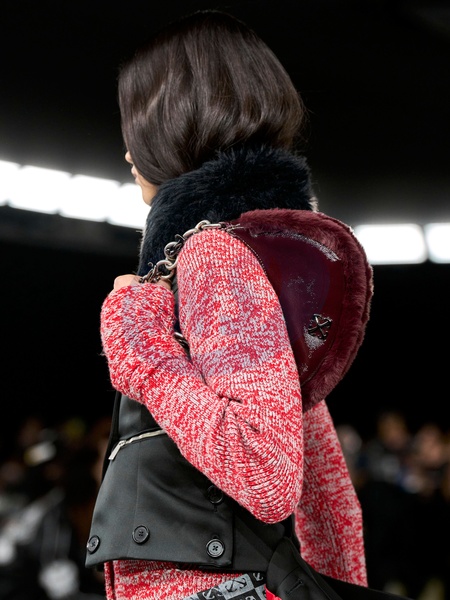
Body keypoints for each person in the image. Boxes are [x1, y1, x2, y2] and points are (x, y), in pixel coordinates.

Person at [85, 9, 369, 600]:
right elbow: (328, 497)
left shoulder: (213, 255)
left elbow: (268, 474)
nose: (128, 152)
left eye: (135, 122)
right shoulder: (244, 252)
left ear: (173, 121)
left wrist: (144, 352)